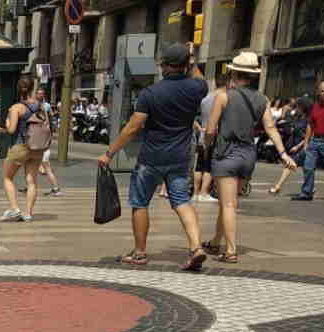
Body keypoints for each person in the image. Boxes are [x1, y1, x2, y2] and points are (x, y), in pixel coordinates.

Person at [97, 42, 209, 271]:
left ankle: (139, 253)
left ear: (165, 66)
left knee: (140, 203)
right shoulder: (197, 88)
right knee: (181, 201)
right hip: (180, 157)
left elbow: (132, 127)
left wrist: (110, 153)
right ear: (185, 65)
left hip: (151, 158)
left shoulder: (150, 93)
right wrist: (192, 59)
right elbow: (199, 78)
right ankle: (196, 247)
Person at [201, 52, 295, 263]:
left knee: (228, 205)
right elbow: (270, 127)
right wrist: (283, 153)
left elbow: (210, 130)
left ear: (233, 72)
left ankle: (231, 250)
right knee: (229, 202)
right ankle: (216, 241)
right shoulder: (262, 99)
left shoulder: (223, 96)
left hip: (226, 155)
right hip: (248, 155)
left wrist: (207, 147)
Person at [0, 76, 46, 222]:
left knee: (7, 177)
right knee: (31, 181)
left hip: (21, 146)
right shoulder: (40, 106)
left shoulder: (16, 108)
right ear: (32, 88)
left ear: (18, 89)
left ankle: (15, 209)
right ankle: (29, 213)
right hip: (38, 148)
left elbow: (11, 130)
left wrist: (7, 122)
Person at [270, 98, 309, 195]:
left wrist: (298, 146)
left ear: (303, 107)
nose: (296, 109)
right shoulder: (297, 117)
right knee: (307, 168)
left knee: (289, 165)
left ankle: (278, 186)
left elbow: (309, 136)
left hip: (302, 146)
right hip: (294, 144)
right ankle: (310, 187)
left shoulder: (308, 120)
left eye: (298, 107)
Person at [193, 89, 215, 202]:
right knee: (208, 165)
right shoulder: (219, 99)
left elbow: (193, 118)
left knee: (199, 165)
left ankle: (195, 193)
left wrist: (200, 129)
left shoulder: (204, 100)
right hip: (212, 135)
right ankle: (204, 193)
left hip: (202, 134)